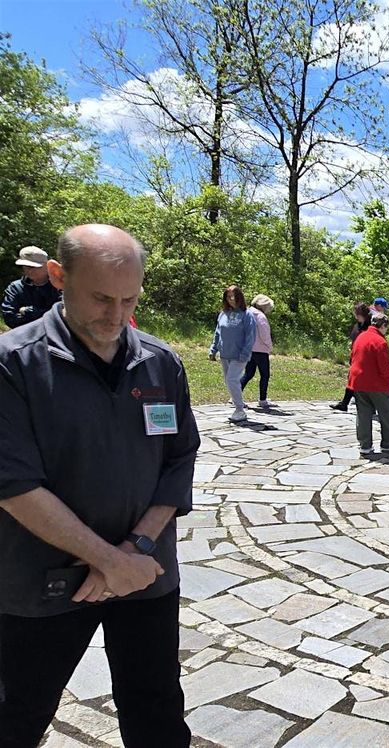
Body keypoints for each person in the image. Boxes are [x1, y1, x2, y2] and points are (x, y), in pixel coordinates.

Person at [0, 224, 199, 747]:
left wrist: (134, 549)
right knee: (17, 712)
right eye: (101, 299)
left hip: (145, 573)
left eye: (129, 300)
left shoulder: (159, 362)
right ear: (58, 276)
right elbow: (14, 484)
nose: (116, 317)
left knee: (156, 709)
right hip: (41, 584)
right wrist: (108, 561)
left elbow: (179, 459)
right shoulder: (13, 363)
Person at [348, 313, 389, 455]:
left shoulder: (360, 337)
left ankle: (365, 445)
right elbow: (384, 367)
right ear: (383, 326)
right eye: (386, 327)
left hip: (358, 381)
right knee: (386, 413)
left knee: (363, 414)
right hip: (376, 384)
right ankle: (388, 443)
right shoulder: (380, 342)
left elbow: (352, 358)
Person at [208, 285, 256, 423]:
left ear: (240, 297)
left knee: (232, 379)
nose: (231, 299)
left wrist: (245, 353)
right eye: (228, 297)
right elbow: (218, 333)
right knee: (229, 381)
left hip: (239, 355)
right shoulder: (223, 314)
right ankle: (238, 404)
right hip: (225, 353)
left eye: (234, 297)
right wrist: (213, 349)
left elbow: (250, 336)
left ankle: (240, 409)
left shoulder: (247, 315)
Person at [2, 246, 62, 329]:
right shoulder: (15, 288)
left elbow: (64, 314)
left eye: (33, 267)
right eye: (25, 266)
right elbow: (9, 318)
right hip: (24, 334)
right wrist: (45, 314)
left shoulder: (59, 286)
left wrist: (28, 311)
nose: (29, 270)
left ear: (47, 266)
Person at [331, 302, 371, 411]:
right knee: (352, 379)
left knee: (362, 382)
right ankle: (344, 403)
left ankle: (369, 405)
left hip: (365, 358)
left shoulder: (369, 326)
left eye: (357, 314)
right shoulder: (357, 325)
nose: (356, 317)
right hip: (355, 356)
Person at [239, 294, 275, 409]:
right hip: (261, 350)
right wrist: (269, 346)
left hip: (249, 349)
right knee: (265, 375)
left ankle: (235, 396)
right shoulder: (260, 316)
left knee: (248, 373)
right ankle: (262, 400)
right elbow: (265, 334)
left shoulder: (246, 313)